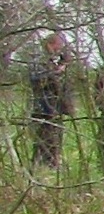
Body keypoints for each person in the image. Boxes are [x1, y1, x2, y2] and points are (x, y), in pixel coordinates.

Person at [26, 34, 73, 168]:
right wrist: (58, 71)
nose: (60, 50)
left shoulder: (53, 61)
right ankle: (40, 165)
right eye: (59, 46)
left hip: (55, 107)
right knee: (44, 139)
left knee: (55, 138)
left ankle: (52, 164)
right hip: (43, 107)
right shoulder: (38, 60)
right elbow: (38, 80)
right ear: (51, 44)